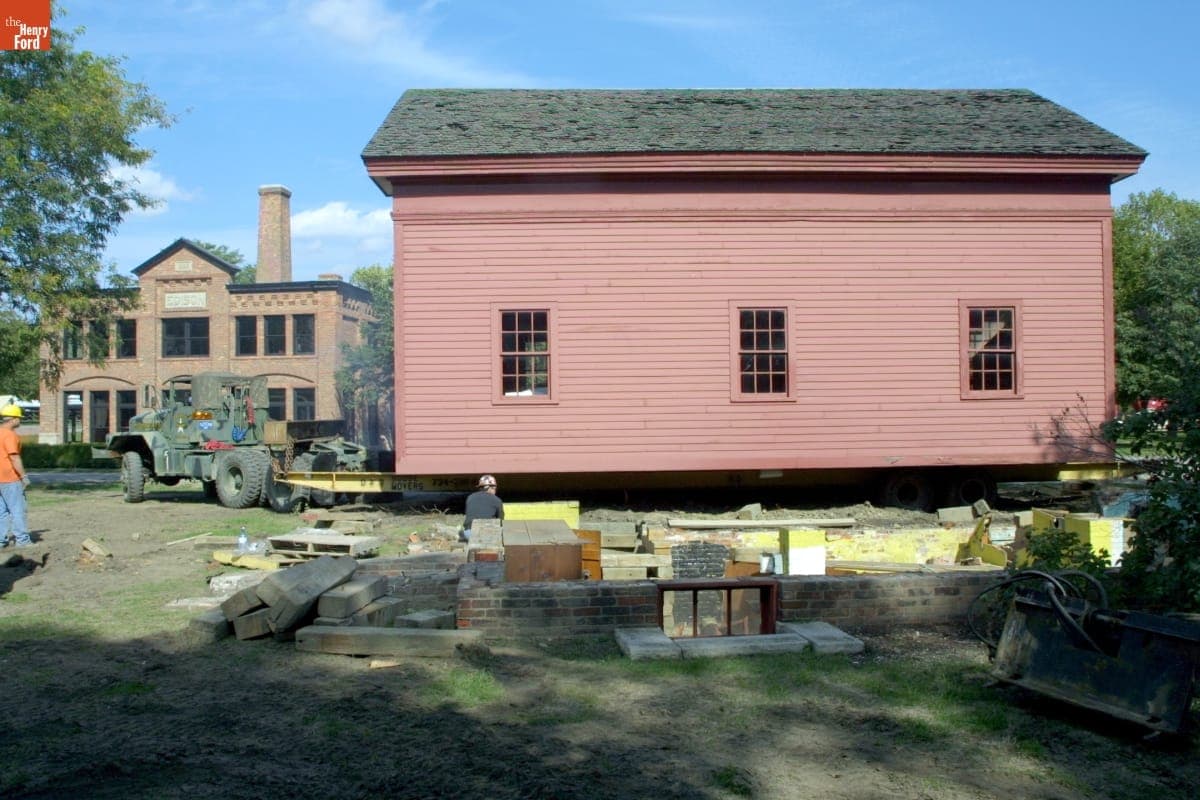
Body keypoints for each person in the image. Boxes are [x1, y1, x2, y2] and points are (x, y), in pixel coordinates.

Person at [0, 404, 33, 549]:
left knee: (1, 511)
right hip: (10, 478)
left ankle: (1, 540)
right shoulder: (10, 435)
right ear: (13, 419)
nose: (20, 421)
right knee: (17, 509)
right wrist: (23, 476)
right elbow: (14, 457)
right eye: (19, 418)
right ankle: (22, 540)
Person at [461, 474, 503, 542]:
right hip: (486, 533)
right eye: (495, 488)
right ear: (491, 487)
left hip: (468, 533)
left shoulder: (470, 497)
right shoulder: (497, 500)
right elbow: (501, 521)